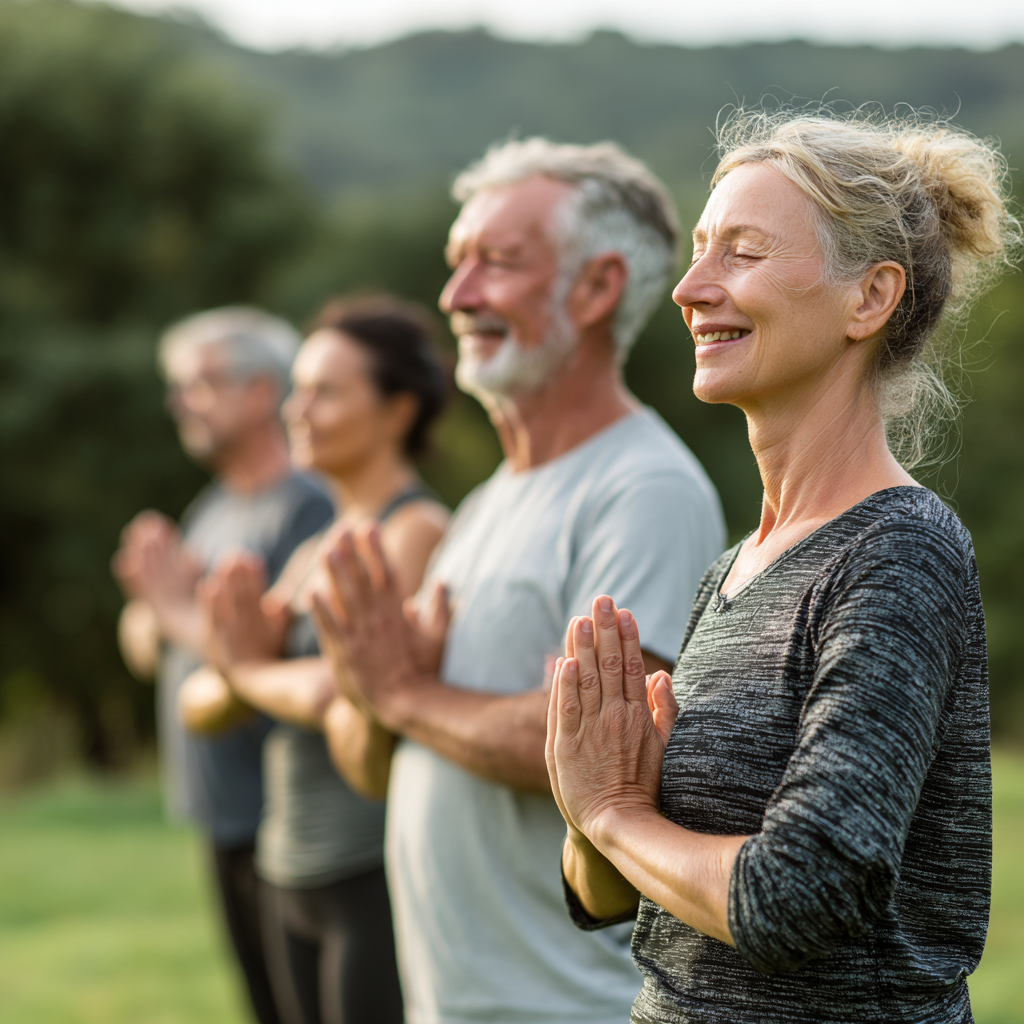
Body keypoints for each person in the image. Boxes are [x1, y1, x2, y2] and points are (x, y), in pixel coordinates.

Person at [544, 110, 1020, 1023]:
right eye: (697, 250)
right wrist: (590, 796)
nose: (690, 287)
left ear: (869, 299)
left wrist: (613, 814)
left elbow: (798, 895)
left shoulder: (898, 551)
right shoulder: (734, 569)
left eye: (743, 253)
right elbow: (607, 899)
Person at [311, 139, 726, 1024]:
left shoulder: (644, 486)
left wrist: (400, 691)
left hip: (577, 1004)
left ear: (596, 288)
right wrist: (373, 690)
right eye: (458, 264)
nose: (457, 298)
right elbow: (369, 757)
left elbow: (601, 747)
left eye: (497, 263)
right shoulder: (482, 506)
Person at [181, 296, 449, 1024]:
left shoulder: (414, 532)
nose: (299, 410)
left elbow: (346, 690)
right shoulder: (310, 551)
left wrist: (247, 673)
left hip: (365, 872)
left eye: (327, 392)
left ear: (396, 410)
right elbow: (197, 703)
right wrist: (252, 677)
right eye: (299, 389)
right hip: (284, 866)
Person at [112, 307, 334, 1024]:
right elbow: (145, 641)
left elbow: (269, 659)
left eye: (199, 383)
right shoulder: (212, 508)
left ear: (260, 391)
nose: (180, 402)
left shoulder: (307, 504)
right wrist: (159, 611)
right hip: (223, 817)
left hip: (288, 820)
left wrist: (173, 613)